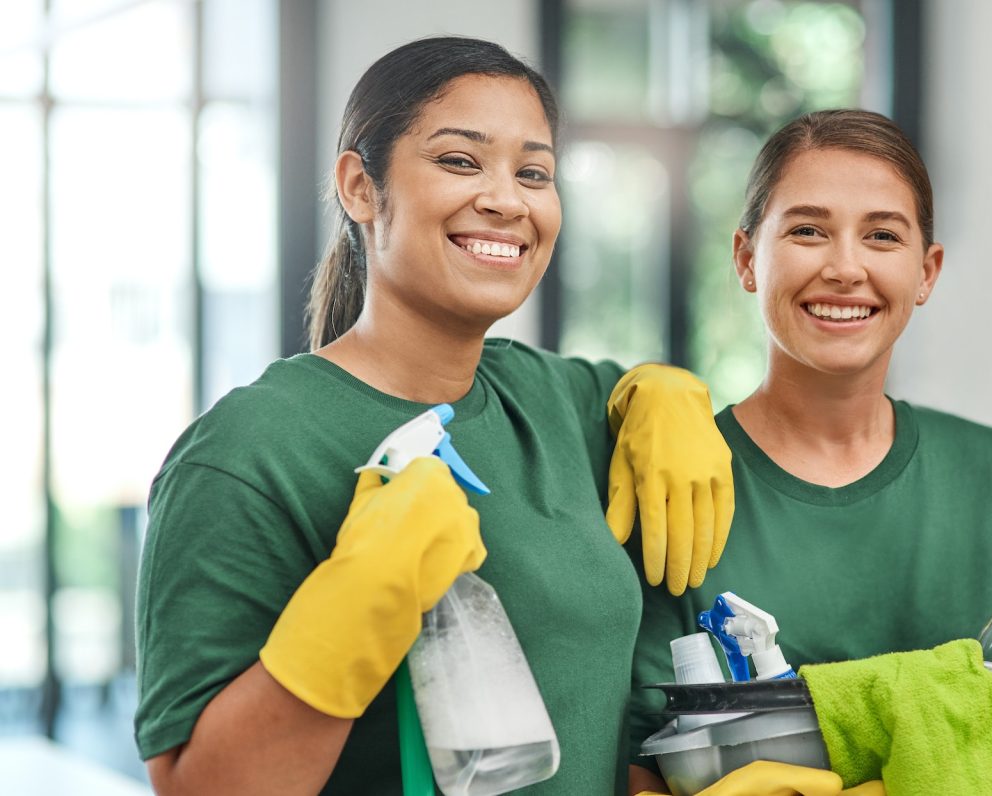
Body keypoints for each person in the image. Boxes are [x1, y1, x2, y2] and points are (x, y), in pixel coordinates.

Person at [133, 36, 733, 795]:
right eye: (460, 160)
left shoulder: (557, 400)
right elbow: (197, 787)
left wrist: (669, 388)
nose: (507, 200)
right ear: (359, 185)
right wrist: (359, 604)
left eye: (535, 172)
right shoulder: (250, 453)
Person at [627, 109, 992, 795]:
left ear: (927, 272)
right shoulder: (672, 484)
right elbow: (638, 767)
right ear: (747, 259)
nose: (844, 267)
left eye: (881, 236)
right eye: (807, 231)